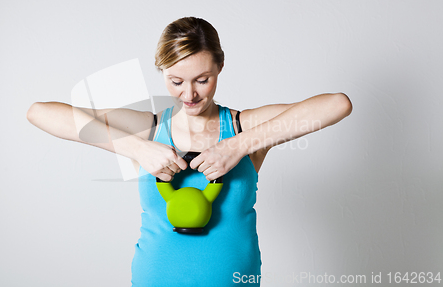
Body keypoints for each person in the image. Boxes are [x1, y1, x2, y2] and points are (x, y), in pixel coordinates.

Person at [27, 17, 353, 286]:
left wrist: (238, 146)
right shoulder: (149, 127)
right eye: (176, 81)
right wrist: (137, 147)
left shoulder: (243, 127)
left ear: (220, 66)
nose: (190, 94)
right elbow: (40, 112)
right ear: (163, 73)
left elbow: (337, 104)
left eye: (202, 79)